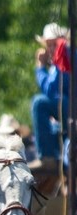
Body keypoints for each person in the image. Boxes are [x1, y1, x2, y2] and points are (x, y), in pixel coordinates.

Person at [31, 22, 69, 169]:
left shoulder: (65, 58)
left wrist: (40, 67)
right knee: (52, 130)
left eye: (54, 44)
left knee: (39, 103)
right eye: (49, 45)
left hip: (71, 108)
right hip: (67, 111)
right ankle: (54, 159)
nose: (51, 49)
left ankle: (47, 157)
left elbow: (50, 90)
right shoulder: (61, 60)